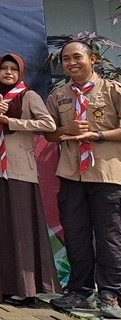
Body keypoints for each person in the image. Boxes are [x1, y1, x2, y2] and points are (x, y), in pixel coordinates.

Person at [45, 40, 121, 318]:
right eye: (66, 59)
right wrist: (67, 128)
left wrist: (97, 135)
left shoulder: (112, 90)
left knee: (110, 236)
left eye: (77, 57)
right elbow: (49, 133)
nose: (71, 63)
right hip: (71, 174)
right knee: (76, 235)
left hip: (106, 174)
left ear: (93, 59)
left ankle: (111, 293)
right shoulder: (58, 95)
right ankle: (80, 291)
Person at [0, 53, 59, 304]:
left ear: (20, 73)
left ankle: (28, 288)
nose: (8, 72)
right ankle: (6, 285)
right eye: (3, 68)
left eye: (13, 69)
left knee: (22, 229)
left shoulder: (29, 96)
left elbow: (48, 124)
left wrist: (13, 122)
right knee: (1, 229)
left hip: (19, 172)